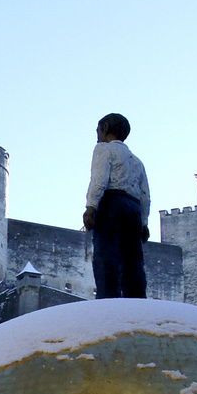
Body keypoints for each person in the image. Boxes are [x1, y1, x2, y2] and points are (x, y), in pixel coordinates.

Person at [82, 112, 151, 299]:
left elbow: (99, 180)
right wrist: (144, 222)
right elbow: (145, 195)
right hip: (134, 208)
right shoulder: (137, 161)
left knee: (107, 255)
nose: (96, 134)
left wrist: (91, 207)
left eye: (97, 129)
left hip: (111, 203)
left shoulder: (103, 149)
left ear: (104, 129)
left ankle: (108, 299)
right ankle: (136, 299)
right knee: (133, 260)